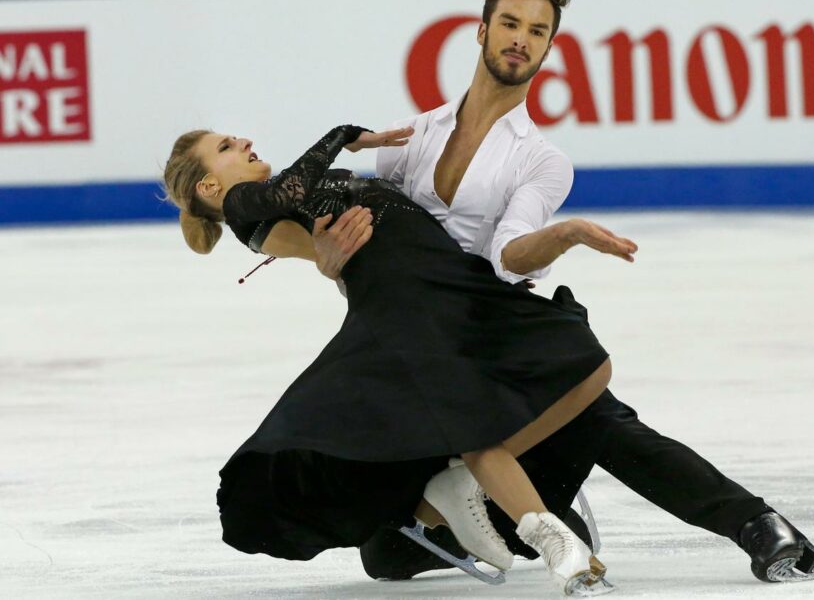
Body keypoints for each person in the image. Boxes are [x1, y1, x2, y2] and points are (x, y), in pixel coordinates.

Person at [308, 0, 814, 584]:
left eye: (536, 31)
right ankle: (534, 515)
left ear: (548, 49)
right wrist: (330, 263)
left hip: (497, 334)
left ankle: (756, 524)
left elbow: (508, 255)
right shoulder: (409, 137)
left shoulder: (541, 160)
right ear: (480, 31)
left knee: (598, 416)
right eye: (509, 23)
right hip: (424, 351)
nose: (520, 39)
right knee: (384, 556)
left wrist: (563, 235)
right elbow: (378, 253)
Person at [161, 123, 620, 596]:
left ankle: (461, 482)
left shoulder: (274, 201)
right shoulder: (244, 210)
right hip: (406, 300)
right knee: (475, 424)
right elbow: (287, 204)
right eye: (225, 147)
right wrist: (338, 135)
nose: (244, 141)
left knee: (588, 364)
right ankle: (562, 554)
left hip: (450, 281)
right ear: (210, 186)